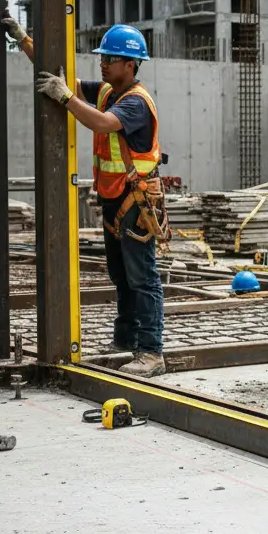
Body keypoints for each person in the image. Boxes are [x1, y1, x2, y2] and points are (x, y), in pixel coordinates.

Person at [35, 25, 167, 377]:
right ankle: (125, 341)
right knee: (121, 275)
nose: (103, 64)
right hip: (115, 198)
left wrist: (64, 98)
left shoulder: (135, 101)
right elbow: (61, 79)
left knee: (142, 277)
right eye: (102, 57)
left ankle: (152, 352)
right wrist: (22, 39)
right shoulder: (110, 91)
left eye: (111, 59)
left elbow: (102, 123)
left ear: (132, 64)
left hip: (135, 201)